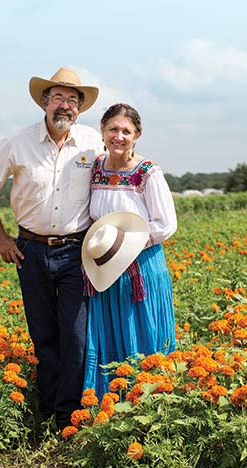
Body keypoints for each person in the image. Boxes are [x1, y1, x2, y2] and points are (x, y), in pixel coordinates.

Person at [0, 67, 105, 429]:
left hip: (76, 252)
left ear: (80, 109)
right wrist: (0, 237)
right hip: (30, 251)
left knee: (76, 336)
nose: (65, 106)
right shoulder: (18, 143)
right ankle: (47, 411)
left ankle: (68, 415)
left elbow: (121, 170)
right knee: (43, 334)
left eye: (72, 100)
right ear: (45, 102)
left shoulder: (93, 143)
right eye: (59, 98)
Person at [81, 103, 177, 399]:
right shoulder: (96, 168)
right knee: (108, 332)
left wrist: (130, 244)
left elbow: (166, 224)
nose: (119, 136)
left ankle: (149, 401)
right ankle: (109, 401)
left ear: (137, 135)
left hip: (141, 266)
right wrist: (110, 247)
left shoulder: (147, 172)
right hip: (105, 265)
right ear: (102, 131)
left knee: (142, 331)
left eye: (126, 131)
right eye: (113, 129)